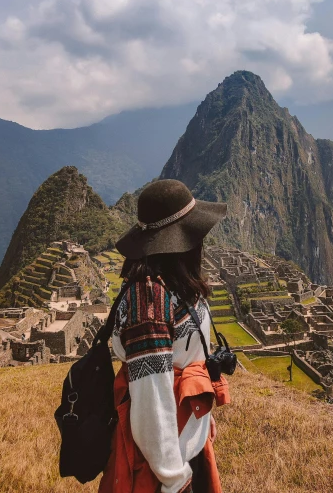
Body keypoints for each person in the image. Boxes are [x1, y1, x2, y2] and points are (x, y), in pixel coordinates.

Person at [99, 179, 230, 493]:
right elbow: (150, 400)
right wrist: (174, 477)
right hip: (165, 464)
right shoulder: (149, 302)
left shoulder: (176, 285)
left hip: (187, 438)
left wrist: (202, 422)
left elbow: (189, 359)